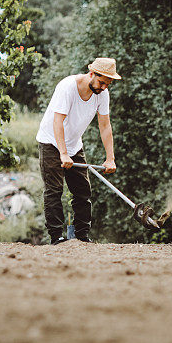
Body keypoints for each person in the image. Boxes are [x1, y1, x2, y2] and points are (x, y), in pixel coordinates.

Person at [36, 57, 121, 243]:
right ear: (91, 74)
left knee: (83, 191)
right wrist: (63, 153)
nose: (103, 87)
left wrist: (110, 158)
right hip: (51, 141)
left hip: (74, 144)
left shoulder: (102, 94)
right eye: (101, 82)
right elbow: (57, 121)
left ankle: (82, 237)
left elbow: (105, 126)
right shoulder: (67, 87)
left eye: (108, 84)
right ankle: (56, 237)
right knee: (54, 190)